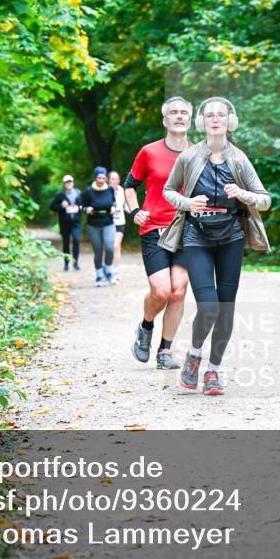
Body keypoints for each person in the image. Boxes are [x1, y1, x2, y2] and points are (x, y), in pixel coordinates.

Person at [159, 97, 272, 396]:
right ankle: (194, 355)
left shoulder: (239, 159)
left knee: (226, 309)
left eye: (221, 114)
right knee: (208, 306)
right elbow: (168, 190)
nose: (215, 119)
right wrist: (187, 203)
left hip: (231, 238)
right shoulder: (189, 157)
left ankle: (214, 372)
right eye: (209, 115)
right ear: (202, 122)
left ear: (229, 121)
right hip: (197, 237)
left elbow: (265, 198)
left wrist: (243, 194)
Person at [123, 96, 194, 369]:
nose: (178, 116)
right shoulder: (149, 152)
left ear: (189, 120)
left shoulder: (198, 153)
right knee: (162, 291)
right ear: (165, 120)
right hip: (154, 229)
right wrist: (134, 211)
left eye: (183, 112)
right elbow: (129, 185)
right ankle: (146, 326)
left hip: (187, 230)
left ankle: (165, 351)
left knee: (178, 291)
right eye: (173, 112)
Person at [80, 167, 117, 287]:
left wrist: (113, 207)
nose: (101, 180)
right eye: (99, 178)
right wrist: (86, 209)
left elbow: (114, 202)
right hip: (93, 224)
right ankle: (99, 275)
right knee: (98, 251)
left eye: (103, 178)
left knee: (110, 248)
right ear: (95, 178)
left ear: (106, 178)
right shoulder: (89, 191)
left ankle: (109, 271)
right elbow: (81, 206)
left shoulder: (110, 190)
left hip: (108, 222)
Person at [49, 174, 82, 271]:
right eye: (67, 182)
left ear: (73, 182)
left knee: (76, 240)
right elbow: (52, 207)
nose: (69, 184)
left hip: (76, 222)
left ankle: (75, 263)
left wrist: (79, 208)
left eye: (70, 181)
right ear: (64, 184)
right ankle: (66, 263)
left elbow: (84, 204)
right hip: (65, 223)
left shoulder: (79, 193)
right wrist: (61, 206)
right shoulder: (60, 195)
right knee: (66, 243)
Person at [108, 170, 127, 284]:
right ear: (109, 180)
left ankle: (116, 271)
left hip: (120, 222)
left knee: (116, 246)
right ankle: (108, 269)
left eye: (116, 179)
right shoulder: (105, 190)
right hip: (108, 223)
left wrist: (136, 213)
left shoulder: (121, 190)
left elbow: (124, 206)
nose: (114, 181)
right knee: (109, 247)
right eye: (112, 179)